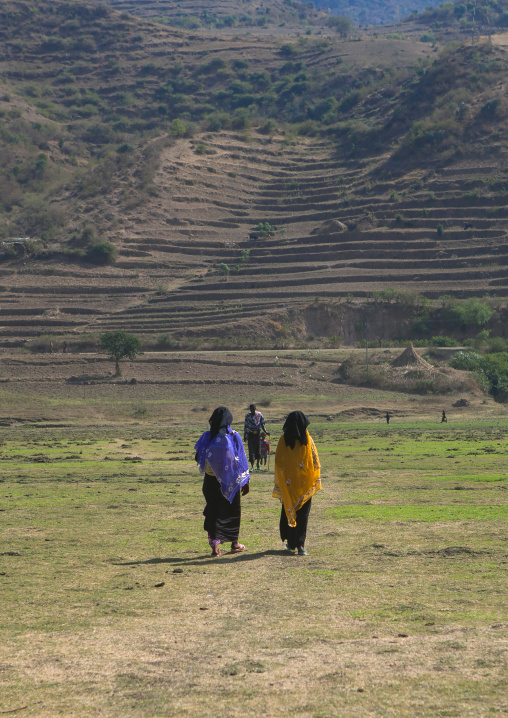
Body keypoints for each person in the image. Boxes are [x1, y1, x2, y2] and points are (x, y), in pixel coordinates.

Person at [195, 406, 250, 557]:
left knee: (213, 512)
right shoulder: (233, 436)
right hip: (230, 483)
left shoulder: (206, 436)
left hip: (210, 482)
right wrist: (245, 482)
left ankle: (215, 548)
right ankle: (234, 543)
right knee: (231, 512)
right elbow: (241, 461)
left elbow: (198, 457)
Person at [273, 411, 321, 556]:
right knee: (303, 514)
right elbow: (315, 461)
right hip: (304, 484)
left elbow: (278, 462)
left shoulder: (283, 440)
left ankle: (291, 542)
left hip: (288, 485)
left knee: (289, 509)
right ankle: (300, 545)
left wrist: (283, 480)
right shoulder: (307, 439)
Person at [244, 403, 268, 470]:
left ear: (255, 409)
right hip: (250, 435)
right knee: (251, 450)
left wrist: (266, 432)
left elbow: (262, 425)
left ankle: (258, 465)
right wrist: (245, 436)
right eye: (250, 409)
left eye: (253, 409)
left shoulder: (259, 415)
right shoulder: (247, 416)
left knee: (258, 449)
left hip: (257, 435)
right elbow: (246, 426)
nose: (251, 411)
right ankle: (252, 466)